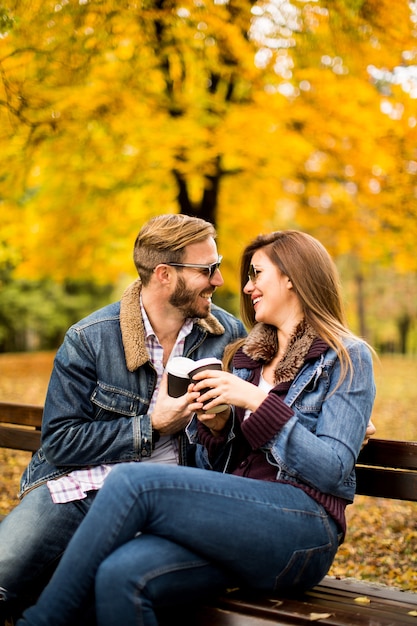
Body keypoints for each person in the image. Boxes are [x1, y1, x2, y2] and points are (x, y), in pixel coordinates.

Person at [16, 229, 376, 626]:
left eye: (256, 274)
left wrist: (258, 402)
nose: (245, 286)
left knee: (134, 482)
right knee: (120, 575)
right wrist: (219, 427)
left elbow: (332, 470)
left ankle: (41, 621)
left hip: (302, 532)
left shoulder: (346, 357)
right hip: (232, 526)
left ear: (291, 276)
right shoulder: (246, 356)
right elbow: (222, 467)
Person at [0, 214, 247, 623]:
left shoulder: (227, 334)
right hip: (77, 491)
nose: (219, 280)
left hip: (173, 499)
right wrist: (150, 427)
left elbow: (254, 416)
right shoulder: (91, 338)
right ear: (165, 274)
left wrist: (226, 423)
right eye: (208, 270)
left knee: (101, 594)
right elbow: (60, 441)